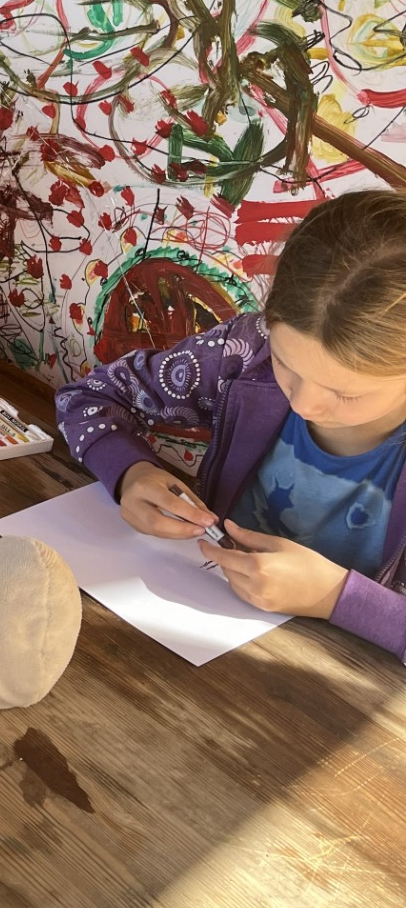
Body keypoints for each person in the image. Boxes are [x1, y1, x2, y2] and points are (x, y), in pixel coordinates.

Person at [55, 189, 406, 657]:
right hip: (189, 643)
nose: (303, 404)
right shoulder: (246, 354)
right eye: (286, 364)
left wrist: (334, 598)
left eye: (346, 394)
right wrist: (130, 473)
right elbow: (90, 397)